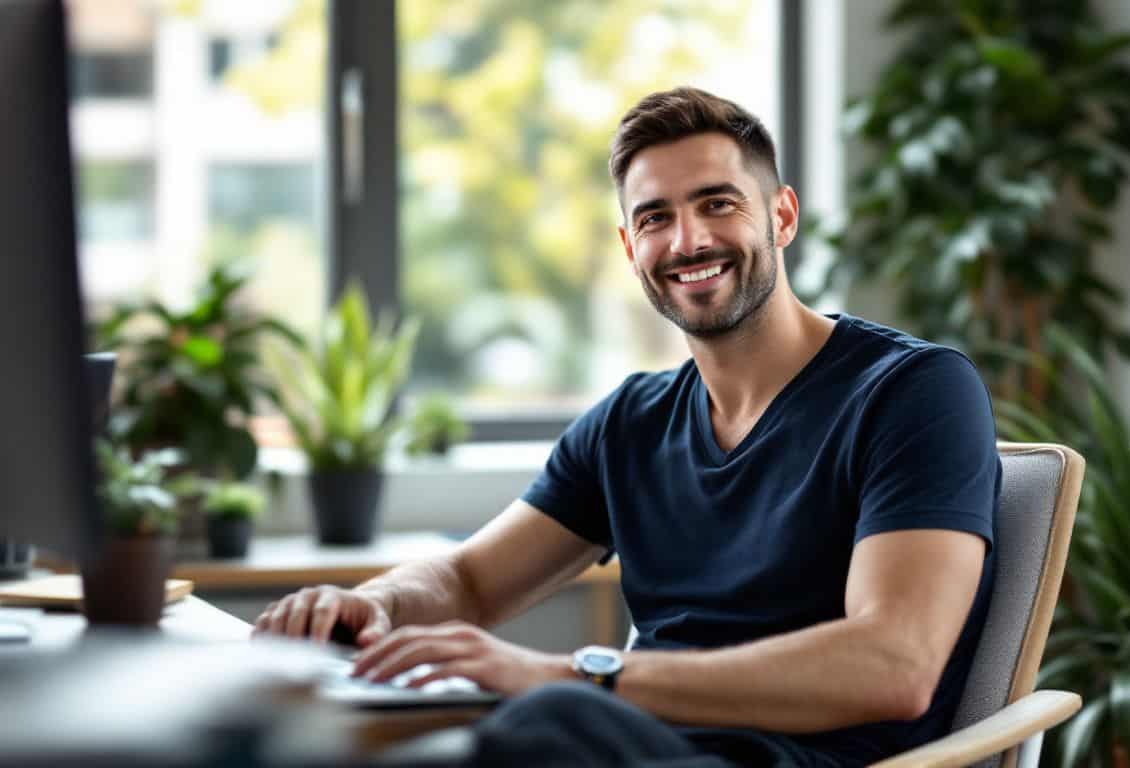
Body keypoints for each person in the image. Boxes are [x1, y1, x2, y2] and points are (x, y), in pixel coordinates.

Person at [255, 86, 1000, 767]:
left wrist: (572, 673)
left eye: (717, 204)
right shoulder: (629, 424)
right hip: (634, 747)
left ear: (781, 215)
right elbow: (469, 580)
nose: (687, 242)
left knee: (540, 721)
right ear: (629, 249)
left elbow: (895, 665)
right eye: (655, 218)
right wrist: (375, 602)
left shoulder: (914, 392)